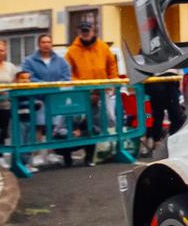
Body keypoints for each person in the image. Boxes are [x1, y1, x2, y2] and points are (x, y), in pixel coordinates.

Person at [66, 21, 120, 167]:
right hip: (83, 94)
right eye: (83, 31)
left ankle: (110, 149)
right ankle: (81, 154)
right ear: (79, 32)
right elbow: (69, 73)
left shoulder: (103, 47)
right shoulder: (72, 51)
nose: (85, 33)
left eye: (88, 30)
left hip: (103, 91)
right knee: (81, 122)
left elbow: (112, 66)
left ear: (93, 31)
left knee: (109, 118)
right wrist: (85, 89)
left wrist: (113, 82)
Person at [20, 33, 72, 167]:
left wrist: (55, 87)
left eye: (49, 42)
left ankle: (51, 153)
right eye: (43, 42)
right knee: (38, 126)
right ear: (39, 44)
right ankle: (36, 154)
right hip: (38, 99)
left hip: (55, 98)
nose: (46, 44)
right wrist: (45, 85)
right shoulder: (29, 60)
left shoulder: (60, 60)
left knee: (53, 127)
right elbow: (28, 77)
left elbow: (66, 77)